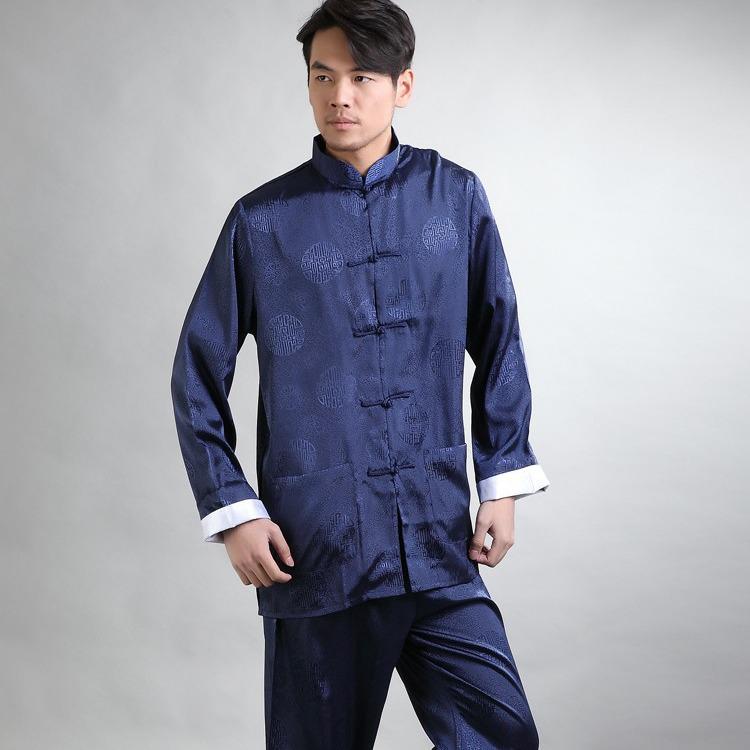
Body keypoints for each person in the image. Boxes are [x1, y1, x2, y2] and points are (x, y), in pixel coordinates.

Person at [170, 1, 550, 747]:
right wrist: (234, 510)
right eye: (323, 77)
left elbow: (499, 338)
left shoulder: (454, 197)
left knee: (503, 735)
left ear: (402, 85)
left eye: (362, 77)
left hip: (437, 537)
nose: (340, 96)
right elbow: (196, 370)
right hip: (317, 551)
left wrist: (501, 481)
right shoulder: (262, 220)